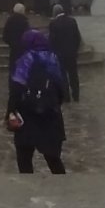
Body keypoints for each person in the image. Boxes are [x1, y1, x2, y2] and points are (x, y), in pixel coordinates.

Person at [7, 29, 68, 174]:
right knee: (53, 159)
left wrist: (10, 112)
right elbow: (61, 88)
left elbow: (16, 88)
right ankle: (65, 189)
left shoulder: (24, 60)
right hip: (50, 116)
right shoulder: (53, 59)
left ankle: (28, 191)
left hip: (27, 117)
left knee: (24, 160)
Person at [47, 4, 83, 103]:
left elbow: (52, 40)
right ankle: (76, 95)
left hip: (60, 54)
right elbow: (78, 37)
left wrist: (53, 52)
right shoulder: (72, 21)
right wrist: (75, 49)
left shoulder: (53, 24)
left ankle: (66, 97)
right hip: (71, 53)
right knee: (73, 75)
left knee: (63, 76)